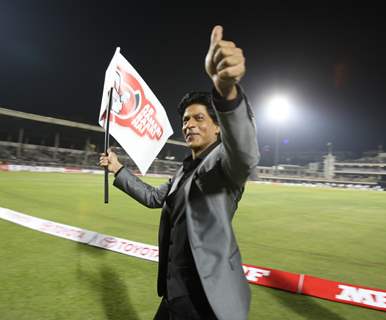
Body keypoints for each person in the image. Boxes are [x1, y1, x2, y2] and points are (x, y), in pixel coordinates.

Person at [100, 25, 259, 320]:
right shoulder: (183, 171)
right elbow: (152, 197)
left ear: (217, 126)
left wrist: (227, 94)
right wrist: (118, 168)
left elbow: (245, 153)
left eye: (199, 118)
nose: (189, 125)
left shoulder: (225, 166)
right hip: (174, 292)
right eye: (186, 120)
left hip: (207, 300)